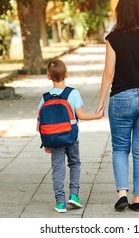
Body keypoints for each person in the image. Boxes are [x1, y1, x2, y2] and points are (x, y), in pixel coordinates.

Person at [95, 0, 139, 212]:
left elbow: (109, 73)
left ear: (119, 13)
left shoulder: (113, 38)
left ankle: (122, 193)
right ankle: (137, 199)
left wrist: (100, 102)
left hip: (122, 98)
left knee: (119, 148)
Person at [38, 59, 104, 213]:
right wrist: (97, 116)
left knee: (57, 168)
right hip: (71, 137)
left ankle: (60, 202)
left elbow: (40, 122)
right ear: (66, 74)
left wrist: (45, 142)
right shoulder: (72, 93)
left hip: (53, 139)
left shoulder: (45, 97)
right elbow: (80, 115)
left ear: (48, 76)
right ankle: (74, 195)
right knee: (74, 163)